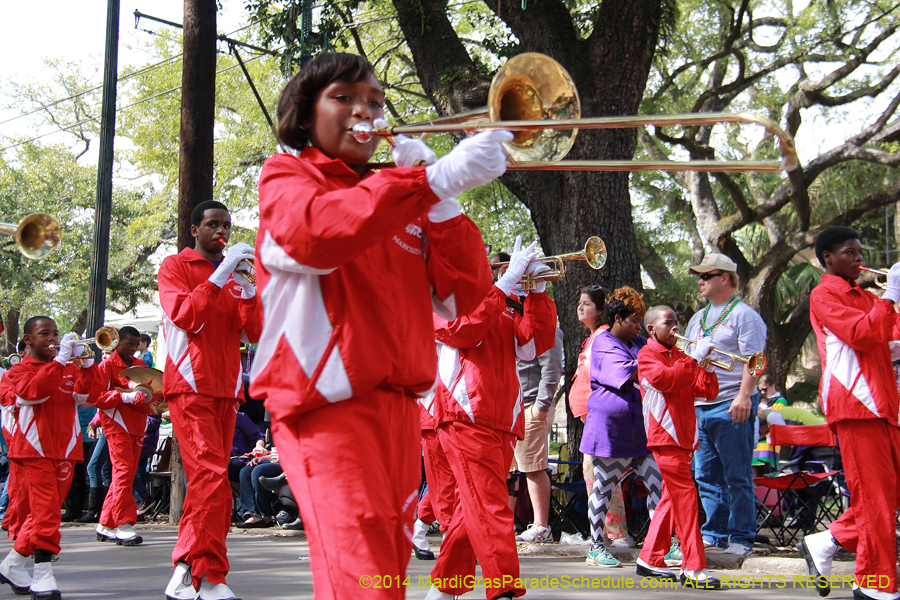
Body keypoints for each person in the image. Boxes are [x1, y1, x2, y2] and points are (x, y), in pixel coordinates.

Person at [248, 52, 503, 600]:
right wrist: (427, 183)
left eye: (376, 102)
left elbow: (464, 298)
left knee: (382, 568)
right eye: (343, 98)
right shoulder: (287, 175)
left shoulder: (399, 194)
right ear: (304, 113)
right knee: (362, 572)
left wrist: (443, 204)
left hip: (399, 408)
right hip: (327, 404)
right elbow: (315, 236)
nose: (364, 111)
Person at [424, 237, 557, 600]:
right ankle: (504, 590)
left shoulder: (503, 301)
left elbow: (533, 346)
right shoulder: (440, 296)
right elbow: (462, 331)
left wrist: (537, 294)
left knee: (476, 509)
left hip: (503, 419)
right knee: (492, 507)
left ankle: (442, 589)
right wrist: (506, 282)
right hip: (464, 416)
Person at [158, 199, 263, 600]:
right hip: (190, 386)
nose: (222, 232)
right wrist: (221, 274)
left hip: (227, 390)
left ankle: (199, 572)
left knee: (213, 485)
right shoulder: (175, 266)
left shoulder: (236, 275)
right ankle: (198, 572)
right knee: (212, 482)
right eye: (213, 225)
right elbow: (185, 314)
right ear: (194, 231)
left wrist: (250, 291)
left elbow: (254, 331)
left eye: (227, 226)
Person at [799, 226, 900, 600]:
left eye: (860, 252)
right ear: (828, 257)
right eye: (850, 252)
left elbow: (892, 334)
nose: (859, 258)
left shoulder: (867, 296)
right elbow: (861, 334)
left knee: (888, 495)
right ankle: (874, 583)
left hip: (883, 405)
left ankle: (826, 542)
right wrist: (891, 295)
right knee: (875, 497)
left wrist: (893, 299)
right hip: (856, 404)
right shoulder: (824, 294)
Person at [0, 317, 102, 599]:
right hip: (34, 450)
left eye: (55, 333)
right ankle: (43, 572)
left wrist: (87, 364)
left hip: (66, 449)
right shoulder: (19, 370)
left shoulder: (68, 367)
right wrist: (60, 361)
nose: (52, 338)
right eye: (44, 333)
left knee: (43, 513)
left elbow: (88, 396)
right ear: (28, 340)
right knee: (47, 511)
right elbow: (33, 393)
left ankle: (13, 563)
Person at [685, 254, 766, 556]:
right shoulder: (697, 318)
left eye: (707, 275)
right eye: (700, 276)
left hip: (732, 403)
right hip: (701, 405)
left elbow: (755, 361)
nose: (701, 281)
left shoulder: (745, 315)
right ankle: (714, 534)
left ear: (726, 278)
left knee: (737, 475)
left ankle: (742, 537)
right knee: (705, 475)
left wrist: (744, 396)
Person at [635, 305, 721, 588]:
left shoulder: (682, 356)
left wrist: (705, 367)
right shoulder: (647, 355)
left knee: (672, 499)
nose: (675, 327)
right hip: (665, 437)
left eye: (676, 322)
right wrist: (695, 358)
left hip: (684, 438)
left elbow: (705, 392)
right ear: (652, 329)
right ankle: (694, 567)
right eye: (668, 322)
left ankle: (649, 558)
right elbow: (667, 380)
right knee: (686, 499)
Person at [581, 287, 663, 568]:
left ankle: (662, 546)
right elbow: (637, 370)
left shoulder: (639, 341)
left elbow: (660, 356)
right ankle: (595, 547)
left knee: (660, 487)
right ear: (618, 318)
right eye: (634, 321)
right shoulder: (603, 342)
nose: (639, 327)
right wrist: (659, 359)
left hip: (640, 432)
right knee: (603, 489)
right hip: (611, 432)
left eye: (641, 322)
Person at [90, 325, 153, 546]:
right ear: (117, 342)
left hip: (138, 424)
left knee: (123, 474)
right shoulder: (106, 365)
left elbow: (151, 393)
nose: (134, 349)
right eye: (129, 344)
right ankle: (124, 524)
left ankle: (105, 523)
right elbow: (96, 397)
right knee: (124, 472)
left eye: (136, 345)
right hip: (117, 424)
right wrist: (123, 397)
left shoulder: (141, 365)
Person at [513, 326, 563, 544]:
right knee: (511, 469)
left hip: (531, 405)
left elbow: (552, 368)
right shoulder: (514, 323)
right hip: (512, 406)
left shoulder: (546, 328)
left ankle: (542, 526)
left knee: (533, 467)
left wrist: (541, 406)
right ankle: (507, 523)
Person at [235, 448, 282, 529]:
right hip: (274, 460)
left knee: (258, 471)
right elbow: (276, 453)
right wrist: (262, 458)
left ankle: (265, 515)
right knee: (246, 471)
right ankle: (252, 513)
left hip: (291, 463)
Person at [228, 412, 266, 484]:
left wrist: (259, 446)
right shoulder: (207, 420)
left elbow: (257, 436)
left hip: (239, 461)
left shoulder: (238, 417)